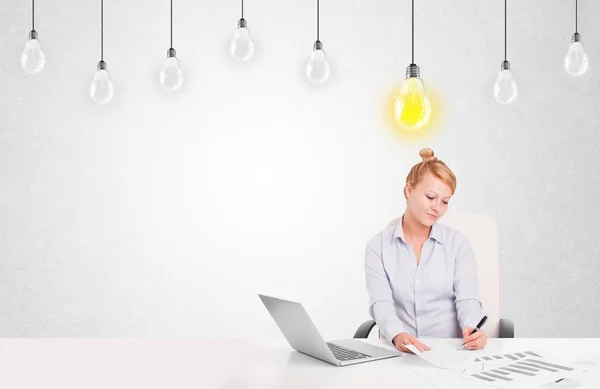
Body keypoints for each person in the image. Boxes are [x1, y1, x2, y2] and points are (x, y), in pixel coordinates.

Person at [364, 148, 487, 353]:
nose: (437, 208)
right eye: (431, 197)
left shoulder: (457, 244)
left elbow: (467, 298)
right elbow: (381, 302)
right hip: (399, 354)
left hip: (450, 353)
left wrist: (472, 328)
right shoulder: (378, 247)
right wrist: (397, 334)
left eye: (445, 201)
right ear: (409, 191)